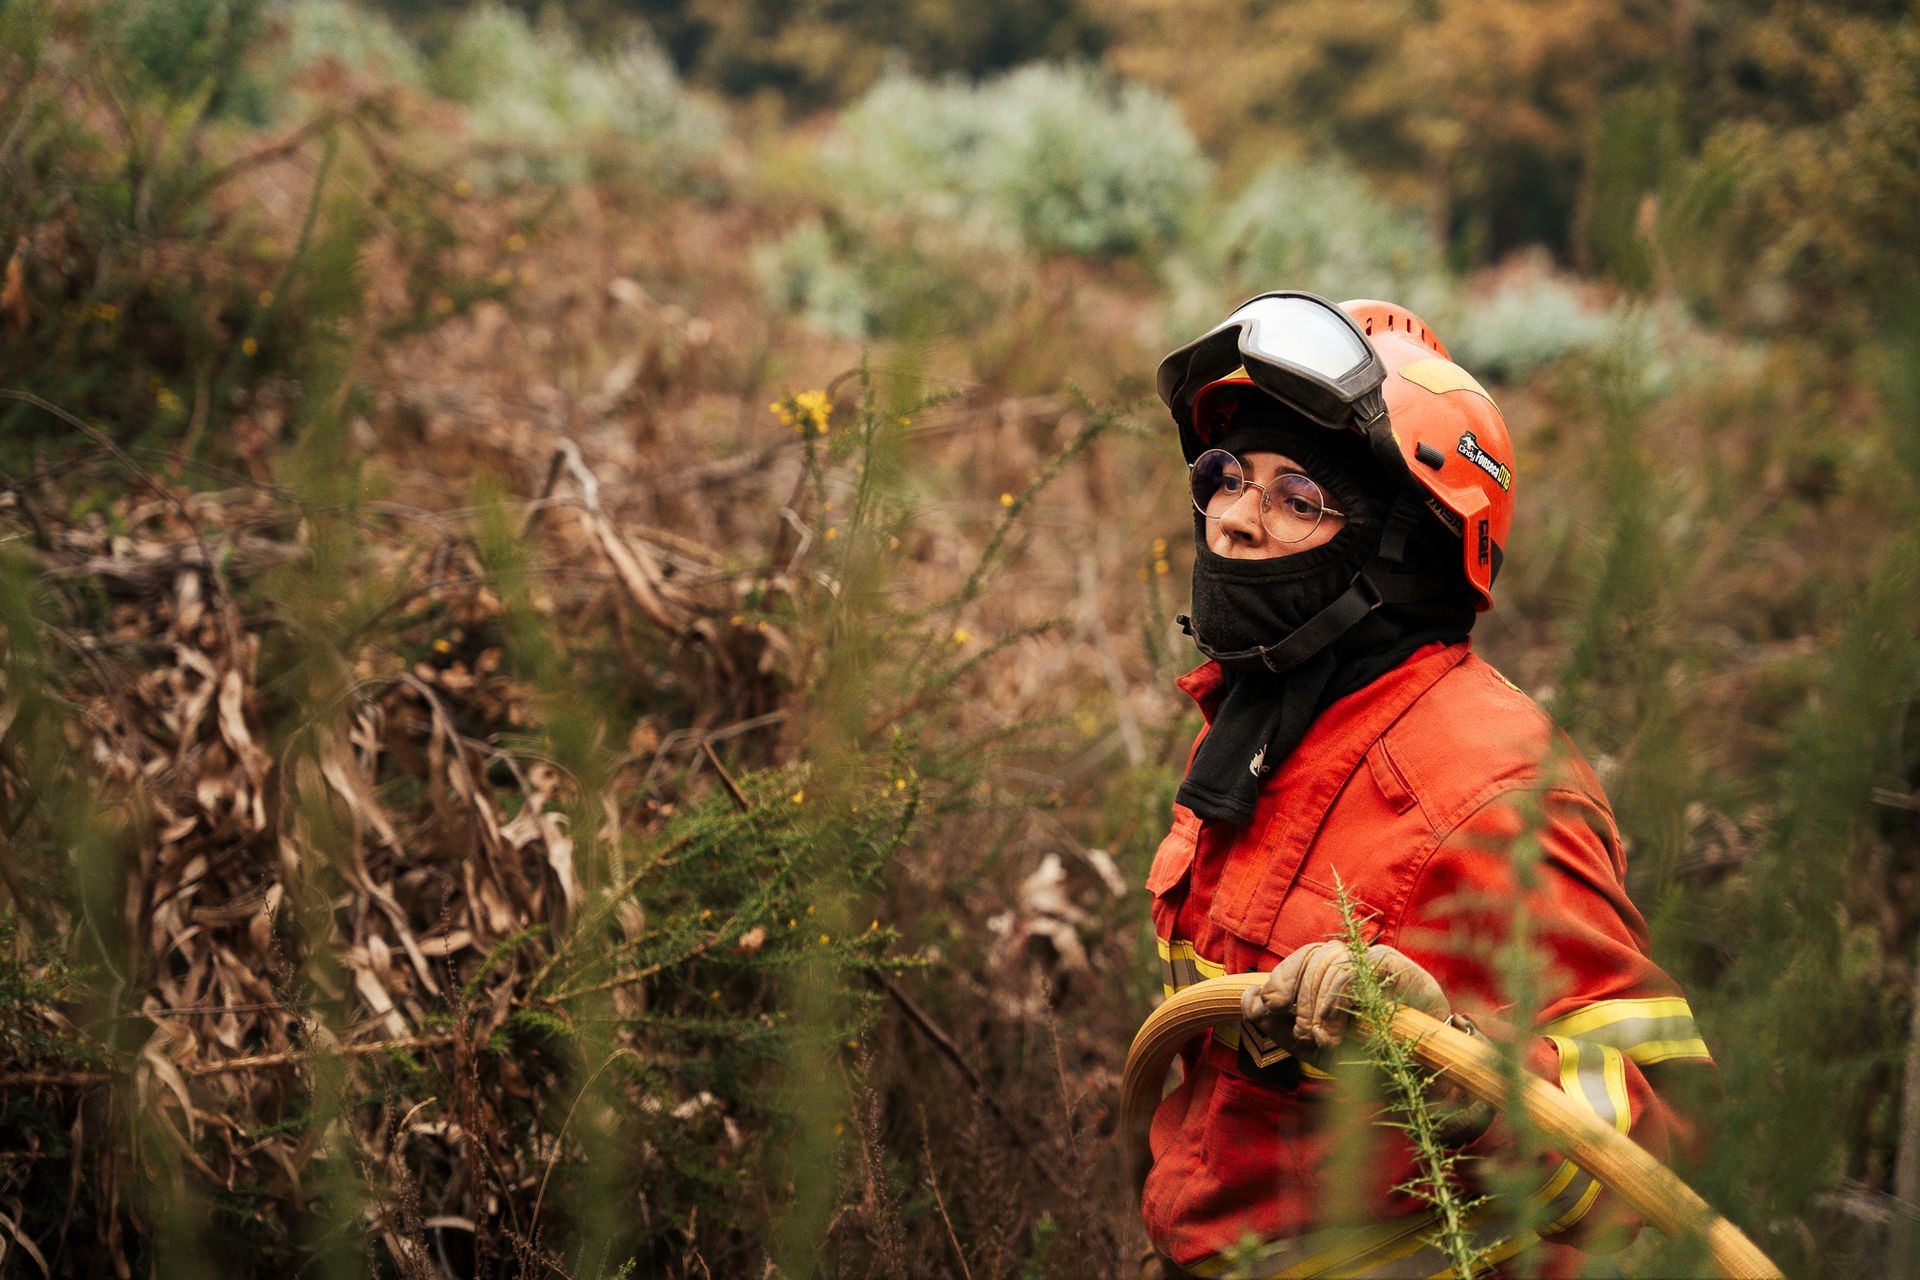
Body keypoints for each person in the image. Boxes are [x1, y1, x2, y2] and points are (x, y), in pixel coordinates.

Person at [1140, 294, 1714, 1277]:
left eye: (1296, 496)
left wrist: (1455, 1059)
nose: (1232, 518)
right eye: (1225, 475)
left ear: (1400, 553)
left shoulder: (1499, 798)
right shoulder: (1260, 732)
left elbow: (1655, 1162)